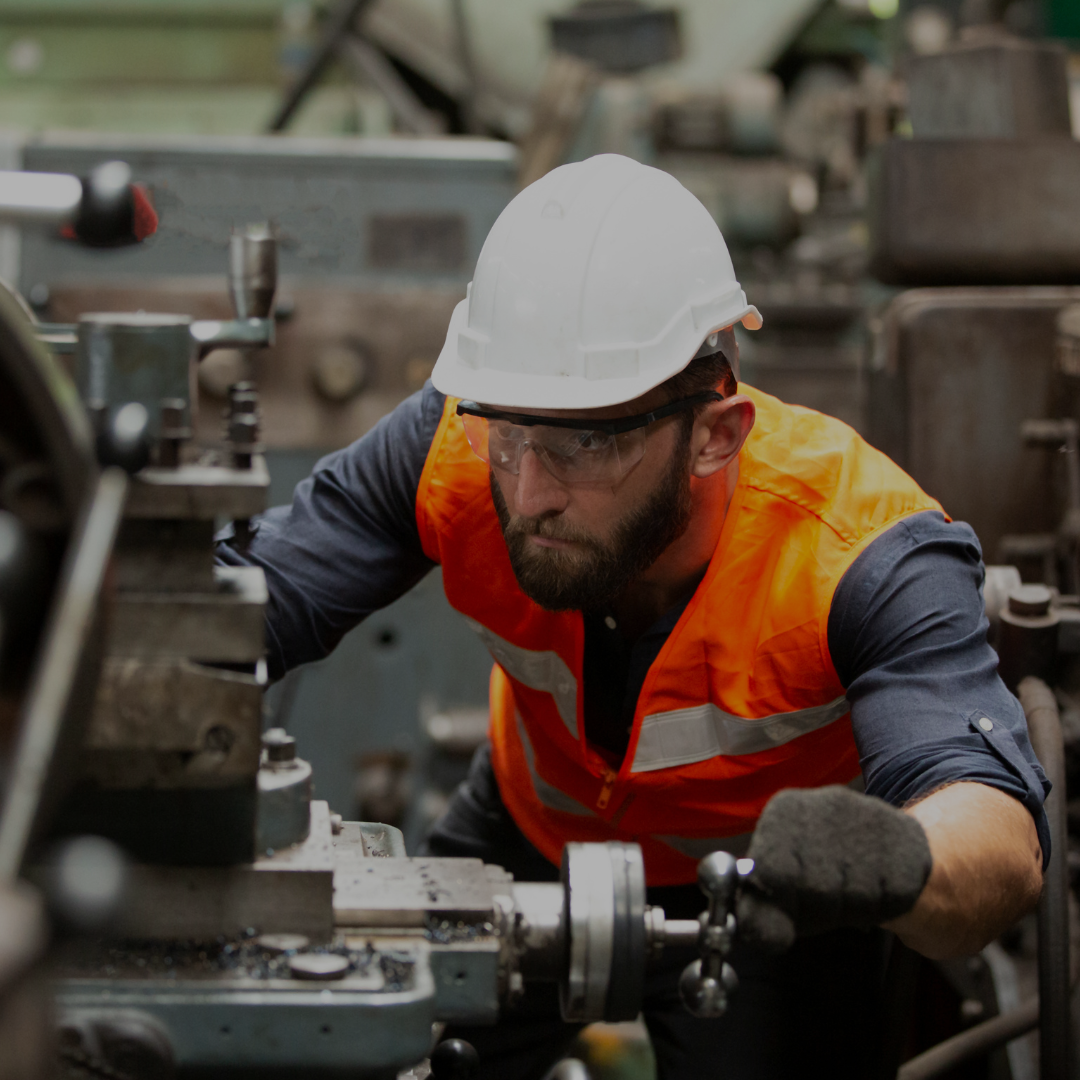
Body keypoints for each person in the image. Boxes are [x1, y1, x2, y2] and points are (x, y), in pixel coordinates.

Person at [219, 154, 1048, 1079]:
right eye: (509, 435)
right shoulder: (454, 448)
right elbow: (242, 604)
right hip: (526, 836)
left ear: (714, 434)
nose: (529, 493)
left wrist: (896, 860)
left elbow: (997, 841)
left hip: (770, 896)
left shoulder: (861, 552)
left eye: (587, 441)